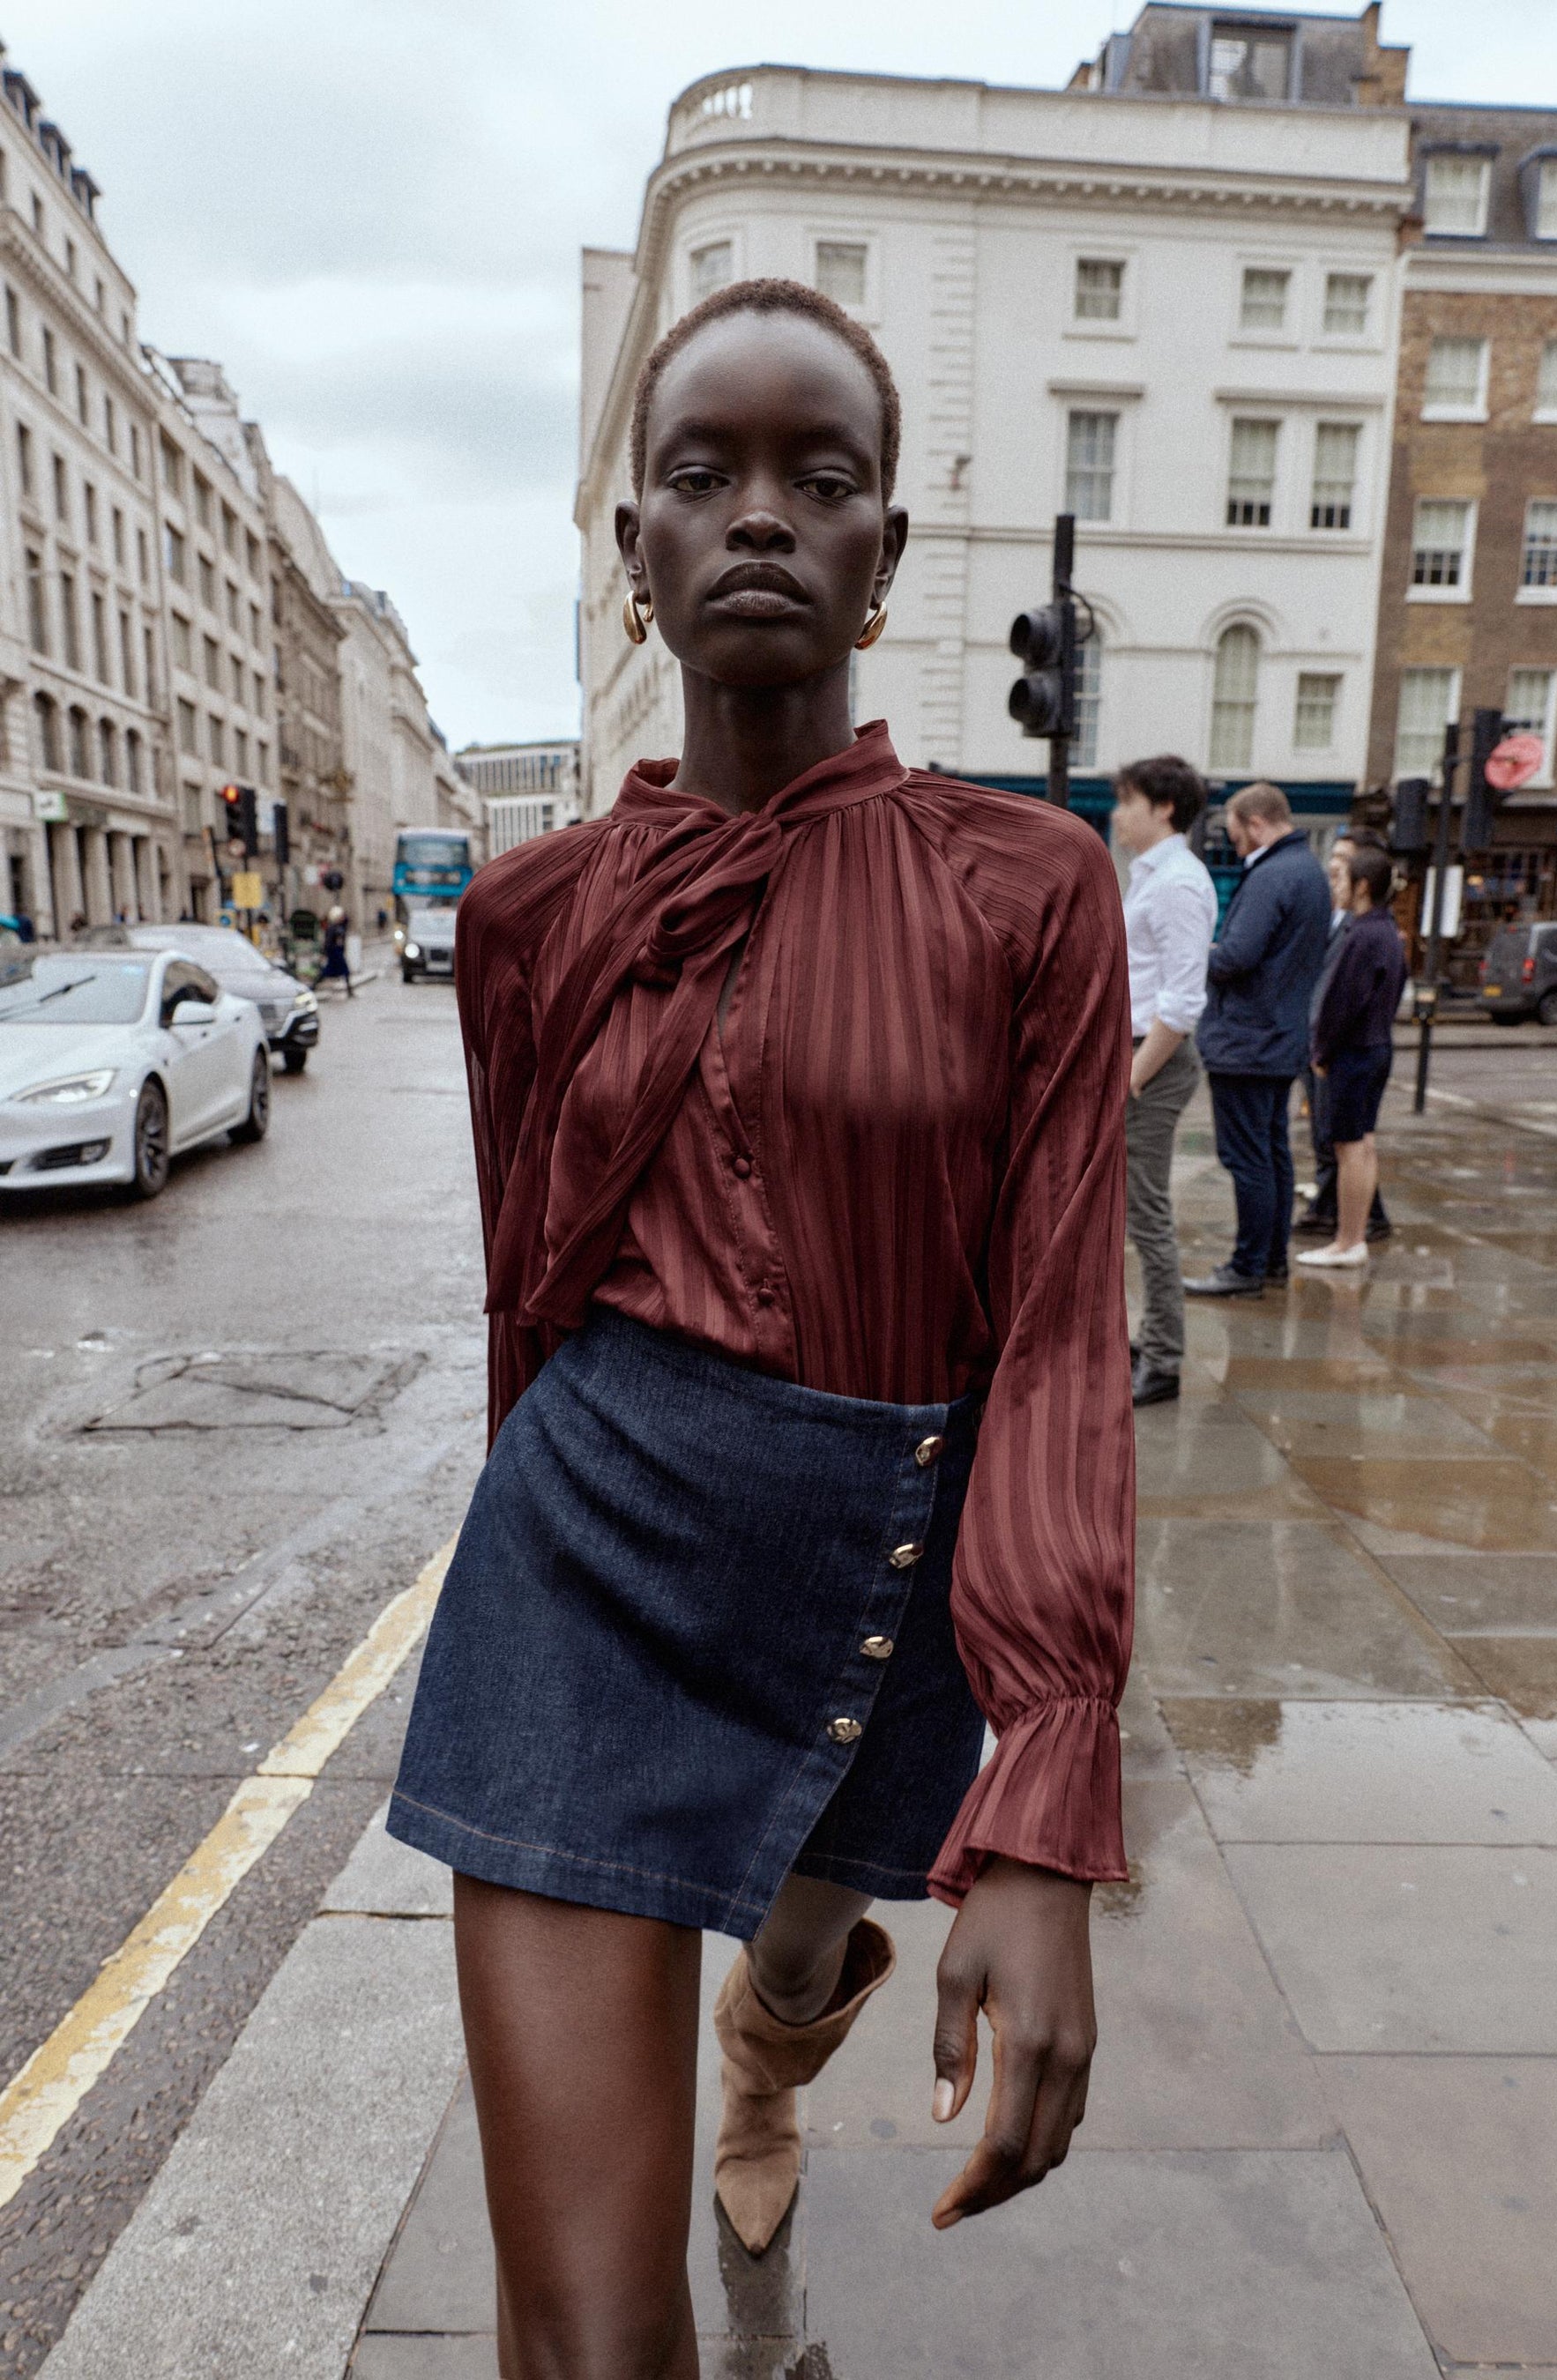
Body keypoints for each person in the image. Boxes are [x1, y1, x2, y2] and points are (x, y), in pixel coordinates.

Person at [385, 278, 1133, 2378]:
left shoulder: (1028, 887)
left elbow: (1064, 1327)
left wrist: (1046, 1799)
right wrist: (515, 1540)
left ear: (886, 552)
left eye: (823, 478)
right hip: (584, 1578)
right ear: (634, 551)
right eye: (699, 475)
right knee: (598, 2333)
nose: (760, 516)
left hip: (885, 1566)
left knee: (799, 1948)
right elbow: (527, 1288)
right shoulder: (532, 917)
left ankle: (770, 2052)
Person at [1185, 783, 1330, 1298]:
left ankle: (1246, 1268)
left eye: (1236, 832)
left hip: (1248, 1042)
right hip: (1280, 1038)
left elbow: (1235, 959)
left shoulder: (1271, 876)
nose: (1235, 842)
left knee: (1247, 1160)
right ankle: (1270, 1264)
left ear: (1257, 823)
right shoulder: (1310, 871)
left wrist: (1192, 951)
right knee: (1272, 1155)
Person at [1114, 755, 1218, 1408]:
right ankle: (1135, 1341)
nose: (1118, 814)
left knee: (1146, 1214)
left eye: (1127, 801)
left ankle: (1164, 1358)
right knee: (1122, 1213)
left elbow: (1181, 1002)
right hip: (1134, 1055)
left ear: (1165, 808)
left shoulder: (1179, 882)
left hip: (1152, 1061)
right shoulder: (1151, 875)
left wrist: (1131, 1077)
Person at [1298, 844, 1407, 1268]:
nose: (1336, 887)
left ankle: (1346, 1240)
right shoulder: (1386, 931)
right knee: (1361, 1146)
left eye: (1341, 879)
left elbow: (1340, 1003)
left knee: (1348, 1149)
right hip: (1376, 1047)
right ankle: (1353, 1237)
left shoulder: (1361, 934)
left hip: (1353, 1053)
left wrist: (1320, 1051)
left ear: (1362, 886)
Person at [316, 904, 354, 996]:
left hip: (338, 952)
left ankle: (349, 991)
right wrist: (325, 953)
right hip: (334, 953)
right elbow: (328, 942)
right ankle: (313, 987)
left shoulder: (339, 926)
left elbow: (346, 921)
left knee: (339, 972)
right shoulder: (332, 928)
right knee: (331, 972)